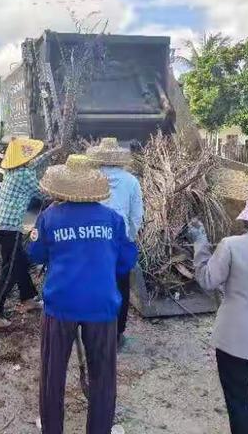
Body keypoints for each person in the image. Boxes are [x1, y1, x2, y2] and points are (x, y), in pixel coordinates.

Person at [28, 154, 138, 434]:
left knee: (52, 376)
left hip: (61, 304)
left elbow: (35, 254)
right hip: (102, 305)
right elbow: (126, 262)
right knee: (103, 377)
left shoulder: (49, 216)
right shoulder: (112, 219)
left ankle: (52, 428)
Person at [187, 190, 248, 434]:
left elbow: (207, 280)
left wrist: (199, 241)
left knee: (238, 402)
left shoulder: (232, 246)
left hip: (234, 340)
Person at [0, 138, 59, 329]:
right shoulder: (24, 175)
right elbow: (43, 194)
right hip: (11, 228)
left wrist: (54, 150)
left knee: (20, 263)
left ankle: (28, 298)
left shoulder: (12, 170)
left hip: (2, 226)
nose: (31, 158)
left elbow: (36, 162)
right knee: (9, 271)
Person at [86, 138, 143, 346]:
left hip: (93, 240)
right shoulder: (131, 181)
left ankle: (95, 330)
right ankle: (117, 333)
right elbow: (137, 216)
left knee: (95, 282)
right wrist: (130, 237)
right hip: (120, 242)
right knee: (121, 286)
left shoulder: (90, 179)